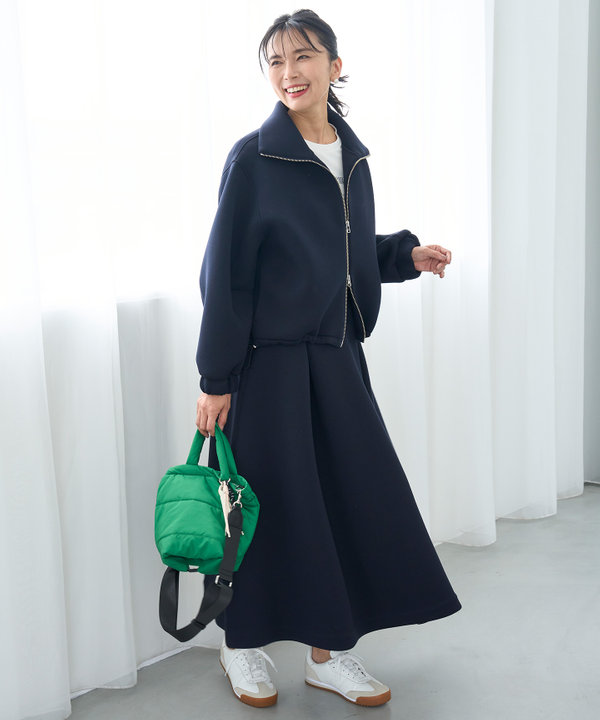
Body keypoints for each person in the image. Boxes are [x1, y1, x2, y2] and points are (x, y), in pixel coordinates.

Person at [194, 9, 461, 709]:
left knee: (348, 502)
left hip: (337, 359)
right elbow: (226, 274)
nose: (290, 72)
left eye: (304, 56)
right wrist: (216, 377)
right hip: (268, 367)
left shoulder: (352, 155)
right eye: (276, 61)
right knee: (262, 510)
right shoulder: (254, 158)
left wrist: (401, 255)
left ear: (335, 66)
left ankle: (328, 652)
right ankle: (241, 644)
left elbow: (340, 249)